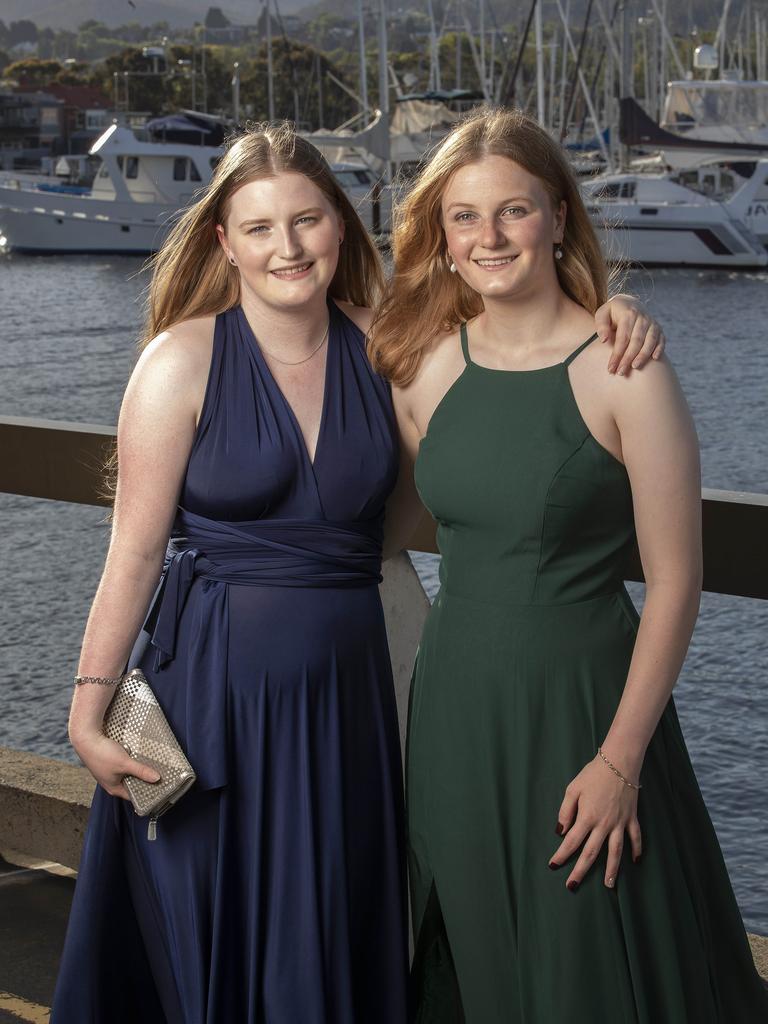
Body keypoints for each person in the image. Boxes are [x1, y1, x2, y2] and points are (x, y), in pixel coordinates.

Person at [52, 121, 665, 1023]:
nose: (287, 247)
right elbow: (135, 550)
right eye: (259, 228)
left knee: (335, 924)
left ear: (341, 225)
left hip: (351, 694)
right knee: (207, 935)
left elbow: (513, 353)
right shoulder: (178, 361)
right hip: (211, 692)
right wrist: (85, 702)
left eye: (306, 220)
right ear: (225, 241)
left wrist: (616, 312)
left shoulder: (391, 352)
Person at [371, 107, 768, 1023]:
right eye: (465, 216)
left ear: (557, 213)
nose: (489, 237)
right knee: (472, 943)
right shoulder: (421, 364)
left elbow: (675, 582)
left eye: (513, 210)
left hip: (582, 712)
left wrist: (620, 762)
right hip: (455, 713)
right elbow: (376, 519)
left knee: (591, 952)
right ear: (442, 232)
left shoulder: (625, 367)